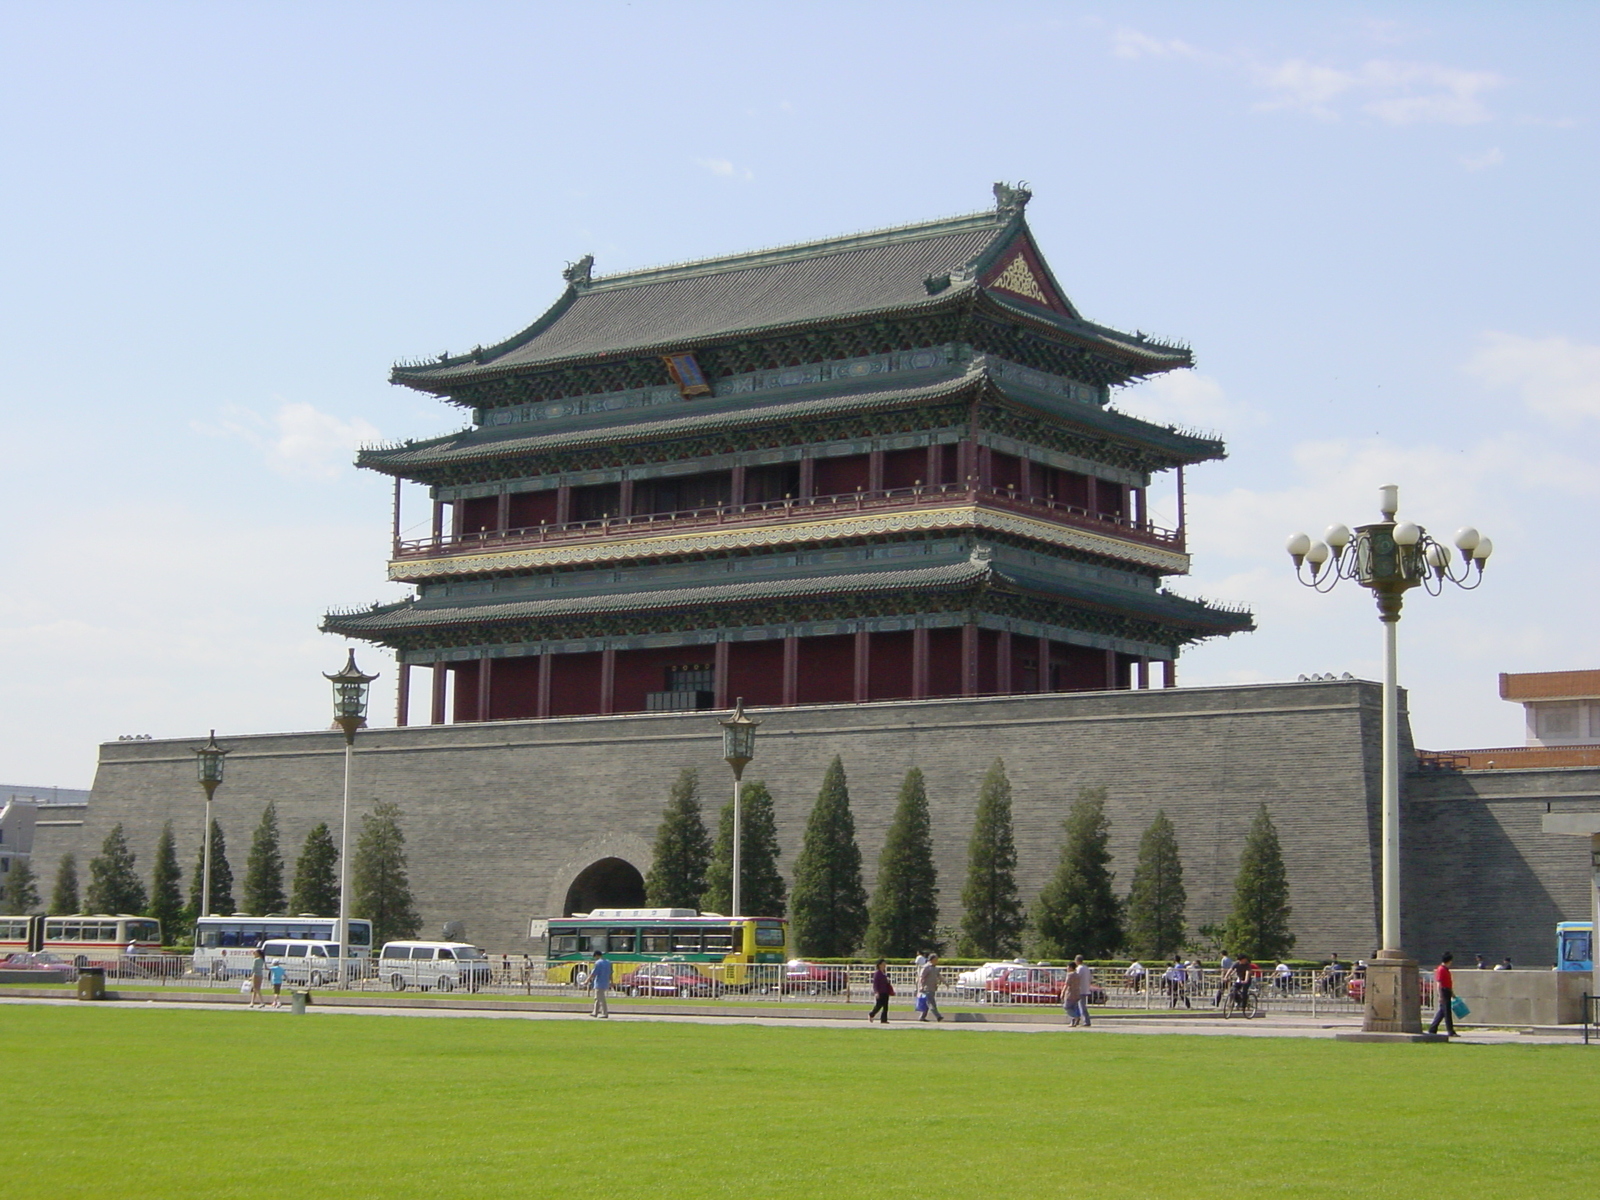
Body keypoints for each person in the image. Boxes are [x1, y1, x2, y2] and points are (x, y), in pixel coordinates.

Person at [1427, 951, 1458, 1037]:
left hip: (1447, 990)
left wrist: (1452, 993)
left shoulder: (1446, 970)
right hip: (1443, 991)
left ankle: (1432, 1029)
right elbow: (1439, 983)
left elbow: (1448, 982)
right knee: (1447, 1012)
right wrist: (1440, 995)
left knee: (1442, 1012)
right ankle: (1450, 1031)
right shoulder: (1441, 969)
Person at [917, 953, 944, 1023]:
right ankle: (938, 1016)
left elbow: (939, 976)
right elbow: (921, 977)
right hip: (927, 988)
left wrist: (946, 983)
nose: (937, 961)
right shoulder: (926, 967)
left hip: (932, 988)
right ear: (931, 960)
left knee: (927, 1003)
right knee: (931, 1003)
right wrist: (921, 986)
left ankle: (922, 1017)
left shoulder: (935, 968)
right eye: (935, 960)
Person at [589, 949, 613, 1018]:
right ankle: (595, 1012)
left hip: (599, 982)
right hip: (605, 982)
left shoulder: (598, 963)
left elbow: (593, 973)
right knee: (597, 998)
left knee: (601, 998)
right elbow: (610, 973)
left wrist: (587, 980)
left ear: (596, 955)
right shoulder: (608, 962)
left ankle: (605, 1013)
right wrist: (611, 982)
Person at [869, 959, 894, 1024]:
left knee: (886, 1006)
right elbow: (875, 984)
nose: (884, 965)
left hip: (886, 991)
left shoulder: (884, 973)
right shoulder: (877, 973)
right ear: (879, 965)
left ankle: (884, 1019)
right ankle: (871, 1014)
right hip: (880, 992)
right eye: (883, 964)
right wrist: (876, 992)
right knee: (879, 1005)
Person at [1073, 955, 1094, 1027]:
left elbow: (1076, 978)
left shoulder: (1079, 968)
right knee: (1082, 1005)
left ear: (1077, 961)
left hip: (1080, 989)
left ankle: (1086, 1021)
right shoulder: (1086, 968)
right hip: (1085, 988)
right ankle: (1082, 1020)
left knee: (1081, 1006)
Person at [1061, 959, 1084, 1026]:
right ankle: (1073, 1021)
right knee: (1074, 1007)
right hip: (1077, 993)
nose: (1067, 968)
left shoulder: (1070, 975)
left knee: (1067, 1007)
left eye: (1067, 967)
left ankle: (1075, 1017)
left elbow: (1066, 984)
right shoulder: (1077, 975)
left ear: (1071, 967)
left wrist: (1062, 992)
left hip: (1070, 993)